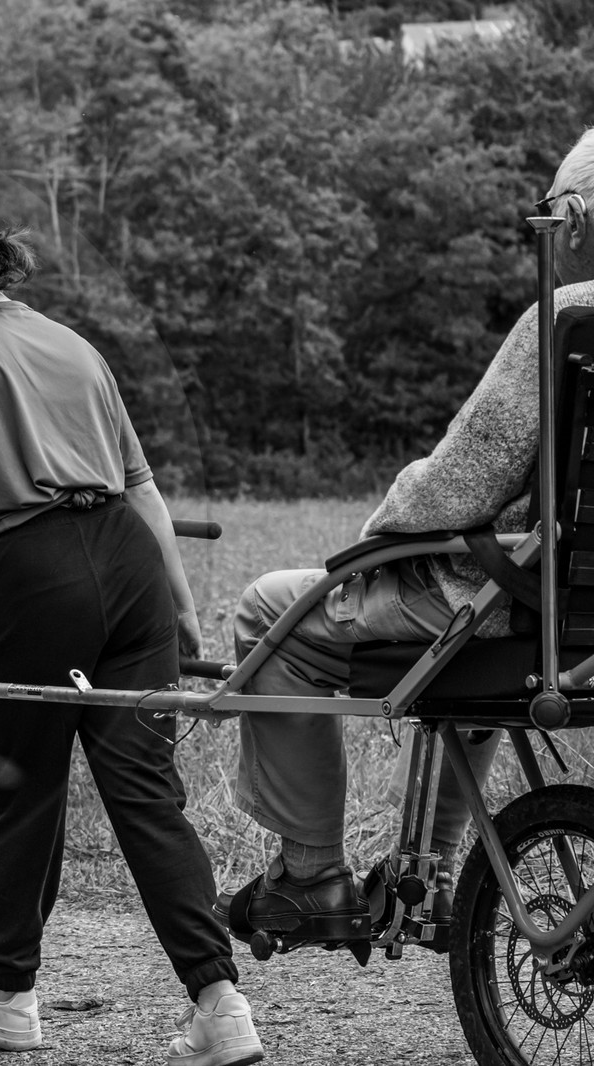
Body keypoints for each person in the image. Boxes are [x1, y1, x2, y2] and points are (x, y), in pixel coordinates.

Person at [0, 212, 263, 1065]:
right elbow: (141, 487)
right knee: (145, 791)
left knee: (22, 784)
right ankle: (221, 1003)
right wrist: (179, 610)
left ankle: (9, 998)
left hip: (34, 570)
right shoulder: (72, 343)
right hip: (130, 567)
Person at [224, 128, 594, 939]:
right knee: (488, 610)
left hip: (524, 604)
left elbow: (461, 480)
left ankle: (310, 875)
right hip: (576, 612)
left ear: (571, 223)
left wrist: (375, 538)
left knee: (266, 614)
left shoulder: (566, 319)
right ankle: (423, 874)